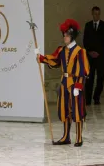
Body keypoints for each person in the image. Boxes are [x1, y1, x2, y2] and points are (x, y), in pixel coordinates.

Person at [35, 19, 90, 147]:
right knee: (64, 110)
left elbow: (84, 70)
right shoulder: (61, 50)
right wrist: (40, 57)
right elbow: (54, 60)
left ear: (72, 36)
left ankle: (79, 138)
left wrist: (78, 86)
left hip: (75, 83)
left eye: (66, 35)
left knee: (77, 111)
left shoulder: (80, 52)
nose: (64, 38)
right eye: (64, 35)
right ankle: (66, 137)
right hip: (64, 83)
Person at [83, 6, 104, 105]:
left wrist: (97, 52)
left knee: (100, 78)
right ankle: (88, 99)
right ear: (92, 14)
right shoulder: (88, 25)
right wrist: (90, 52)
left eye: (98, 14)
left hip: (101, 56)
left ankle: (96, 97)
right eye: (95, 14)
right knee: (89, 78)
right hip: (90, 57)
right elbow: (85, 41)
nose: (96, 16)